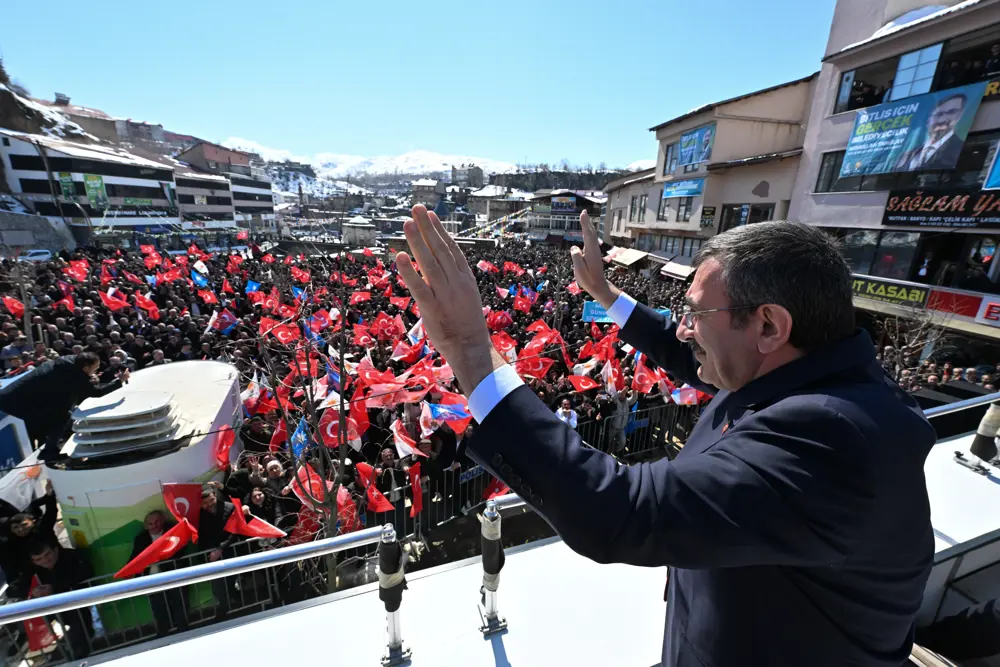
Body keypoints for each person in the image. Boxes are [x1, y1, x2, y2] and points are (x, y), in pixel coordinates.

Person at [395, 204, 937, 667]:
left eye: (696, 313)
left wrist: (470, 348)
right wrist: (607, 295)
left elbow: (621, 511)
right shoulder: (802, 370)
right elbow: (690, 355)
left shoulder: (834, 438)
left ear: (769, 326)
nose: (683, 328)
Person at [0, 351, 128, 460]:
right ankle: (49, 452)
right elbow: (96, 392)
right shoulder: (74, 375)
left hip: (19, 397)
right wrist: (119, 381)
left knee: (55, 416)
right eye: (95, 368)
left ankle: (47, 448)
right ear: (85, 368)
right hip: (17, 402)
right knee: (62, 416)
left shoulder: (68, 361)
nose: (96, 370)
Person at [129, 510, 189, 636]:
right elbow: (135, 558)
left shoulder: (172, 532)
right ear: (146, 526)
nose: (154, 525)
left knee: (179, 603)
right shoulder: (141, 539)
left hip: (173, 575)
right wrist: (129, 573)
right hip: (152, 580)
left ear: (162, 521)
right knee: (158, 607)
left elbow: (181, 549)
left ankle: (183, 631)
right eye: (150, 524)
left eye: (156, 522)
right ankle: (163, 633)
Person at [894, 93, 968, 172]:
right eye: (938, 114)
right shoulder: (906, 155)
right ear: (928, 120)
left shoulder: (961, 150)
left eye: (952, 112)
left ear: (960, 116)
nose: (943, 119)